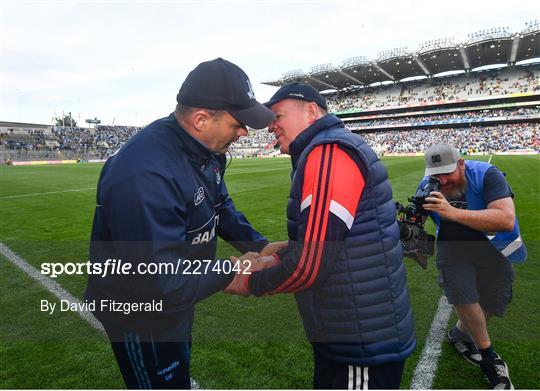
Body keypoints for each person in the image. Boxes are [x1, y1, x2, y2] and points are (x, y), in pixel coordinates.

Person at [85, 58, 280, 389]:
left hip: (177, 298)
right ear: (201, 119)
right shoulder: (145, 174)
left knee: (176, 376)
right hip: (140, 313)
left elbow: (221, 207)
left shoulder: (204, 149)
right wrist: (233, 269)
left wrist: (258, 246)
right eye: (238, 123)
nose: (245, 131)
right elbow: (160, 281)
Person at [225, 83, 416, 389]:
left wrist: (249, 282)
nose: (271, 125)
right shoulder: (325, 150)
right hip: (346, 330)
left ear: (311, 112)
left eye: (278, 115)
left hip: (359, 342)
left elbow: (311, 264)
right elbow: (335, 242)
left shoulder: (329, 153)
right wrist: (274, 257)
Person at [419, 144, 526, 389]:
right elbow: (417, 223)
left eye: (448, 172)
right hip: (454, 245)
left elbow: (506, 219)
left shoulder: (489, 175)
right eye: (437, 175)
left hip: (493, 243)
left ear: (462, 164)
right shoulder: (428, 186)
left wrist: (451, 212)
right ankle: (489, 358)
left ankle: (459, 334)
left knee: (497, 299)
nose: (443, 180)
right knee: (462, 294)